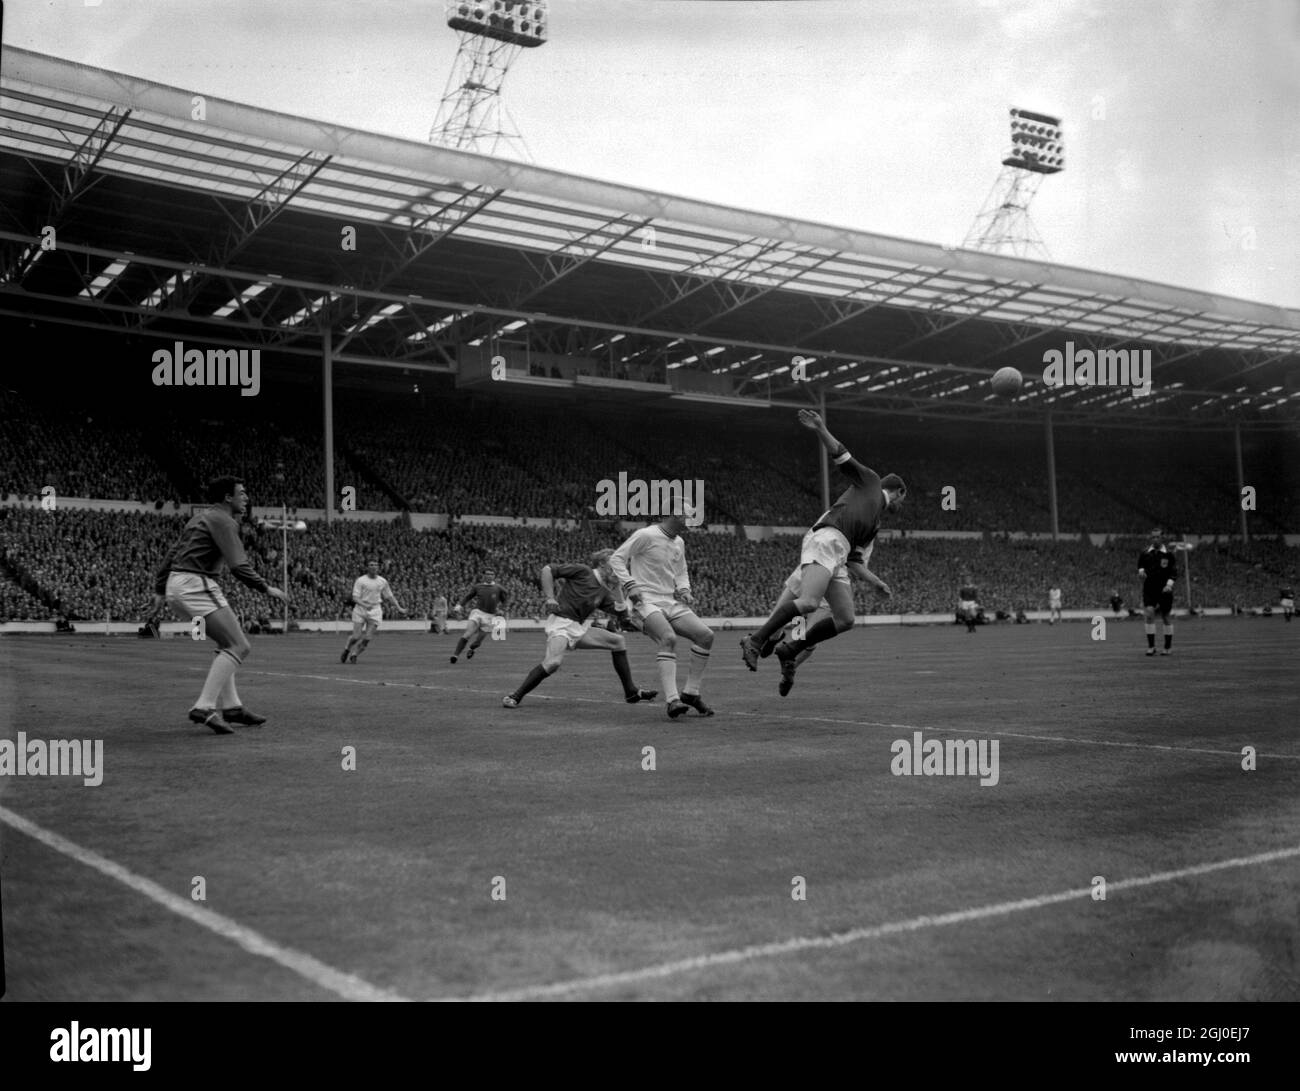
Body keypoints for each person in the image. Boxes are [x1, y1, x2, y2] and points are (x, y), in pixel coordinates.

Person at [740, 409, 905, 674]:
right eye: (902, 499)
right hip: (827, 538)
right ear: (898, 492)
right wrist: (820, 427)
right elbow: (842, 454)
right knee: (808, 603)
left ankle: (791, 648)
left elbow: (855, 561)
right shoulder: (872, 482)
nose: (901, 504)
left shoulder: (874, 523)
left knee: (845, 619)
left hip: (839, 554)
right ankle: (756, 640)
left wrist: (876, 582)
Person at [149, 476, 288, 734]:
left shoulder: (198, 518)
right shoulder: (225, 521)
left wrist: (159, 589)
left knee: (227, 644)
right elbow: (238, 566)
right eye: (242, 493)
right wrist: (266, 588)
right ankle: (203, 706)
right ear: (228, 497)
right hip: (196, 582)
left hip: (178, 584)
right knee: (240, 645)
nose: (246, 498)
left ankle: (233, 707)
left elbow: (171, 553)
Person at [502, 550, 657, 708]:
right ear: (602, 563)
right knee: (553, 663)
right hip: (561, 623)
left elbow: (622, 614)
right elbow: (547, 570)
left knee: (618, 641)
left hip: (578, 627)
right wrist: (550, 597)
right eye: (614, 564)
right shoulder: (583, 571)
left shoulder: (604, 591)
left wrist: (618, 589)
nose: (618, 569)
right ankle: (515, 696)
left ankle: (630, 692)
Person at [609, 503, 715, 719]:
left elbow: (681, 570)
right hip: (644, 600)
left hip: (668, 600)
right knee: (668, 637)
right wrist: (630, 584)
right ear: (675, 514)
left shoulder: (679, 542)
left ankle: (691, 693)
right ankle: (672, 700)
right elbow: (616, 558)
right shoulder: (646, 535)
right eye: (688, 515)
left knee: (705, 636)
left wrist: (684, 590)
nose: (692, 519)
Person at [770, 542, 891, 696]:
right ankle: (777, 643)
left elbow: (854, 563)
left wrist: (864, 577)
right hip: (819, 575)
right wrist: (871, 580)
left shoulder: (864, 534)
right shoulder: (848, 530)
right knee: (794, 628)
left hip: (832, 585)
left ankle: (789, 667)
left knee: (807, 638)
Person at [340, 558, 405, 663]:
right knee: (356, 636)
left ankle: (354, 654)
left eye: (375, 565)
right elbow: (355, 598)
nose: (374, 566)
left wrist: (399, 608)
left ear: (378, 567)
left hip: (375, 610)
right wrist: (365, 605)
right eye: (371, 565)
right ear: (367, 567)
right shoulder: (361, 580)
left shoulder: (382, 581)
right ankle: (347, 649)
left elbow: (390, 596)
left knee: (367, 638)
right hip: (361, 609)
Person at [451, 567, 508, 663]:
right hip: (477, 613)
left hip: (490, 616)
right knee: (468, 634)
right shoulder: (478, 587)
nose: (489, 576)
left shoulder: (499, 588)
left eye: (492, 574)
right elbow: (468, 596)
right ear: (484, 576)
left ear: (494, 576)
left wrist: (502, 610)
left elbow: (505, 600)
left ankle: (471, 648)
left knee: (478, 642)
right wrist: (460, 605)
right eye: (487, 574)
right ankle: (455, 656)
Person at [1138, 528, 1177, 656]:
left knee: (1165, 616)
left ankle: (1167, 647)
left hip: (1164, 590)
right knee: (1149, 613)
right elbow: (1140, 567)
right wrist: (1141, 573)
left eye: (1157, 537)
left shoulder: (1169, 554)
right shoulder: (1145, 553)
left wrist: (1169, 585)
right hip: (1149, 589)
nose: (1155, 539)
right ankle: (1151, 647)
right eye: (1153, 537)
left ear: (1162, 538)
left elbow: (1174, 573)